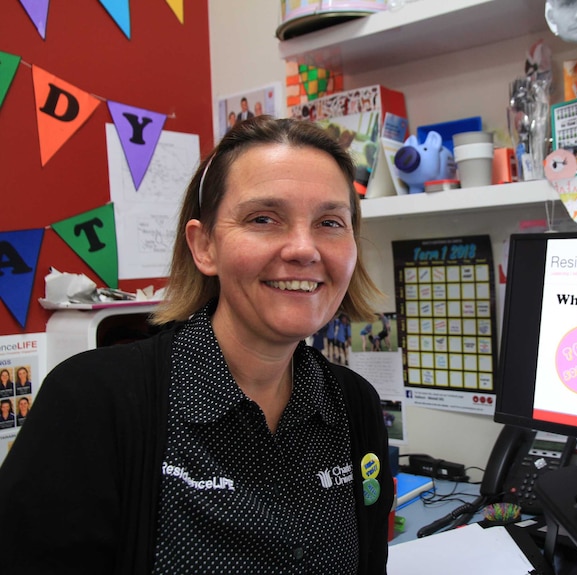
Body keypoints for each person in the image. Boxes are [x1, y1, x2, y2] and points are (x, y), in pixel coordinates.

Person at [0, 117, 393, 574]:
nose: (304, 248)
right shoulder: (92, 402)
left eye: (330, 222)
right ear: (203, 245)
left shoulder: (354, 406)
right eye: (263, 218)